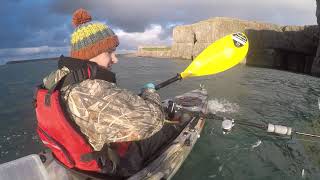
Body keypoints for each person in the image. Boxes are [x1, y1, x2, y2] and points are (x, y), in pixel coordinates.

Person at [36, 8, 187, 177]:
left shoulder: (54, 80)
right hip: (108, 168)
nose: (115, 59)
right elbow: (153, 120)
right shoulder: (93, 90)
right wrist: (149, 92)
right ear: (90, 53)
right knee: (165, 128)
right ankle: (181, 124)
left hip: (73, 162)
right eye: (109, 52)